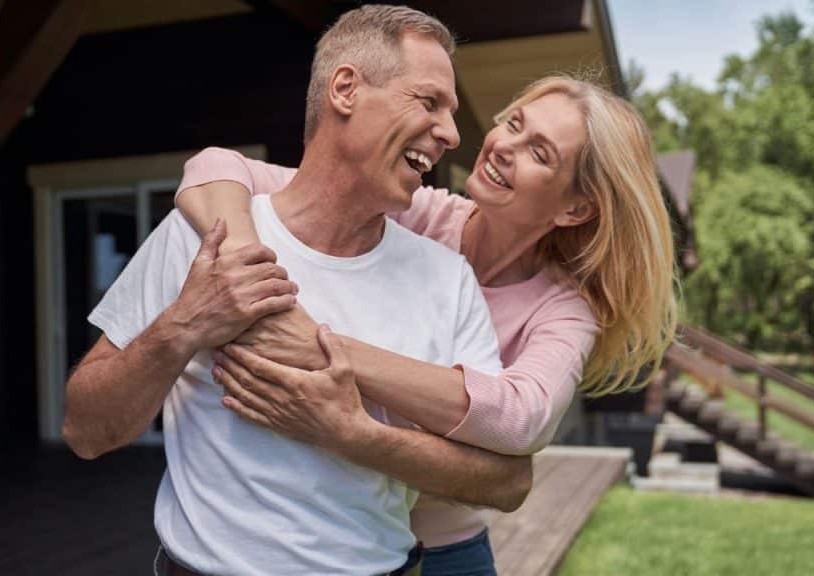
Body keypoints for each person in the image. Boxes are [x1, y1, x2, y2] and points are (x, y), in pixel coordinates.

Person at [63, 6, 534, 575]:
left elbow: (505, 481)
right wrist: (185, 325)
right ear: (345, 89)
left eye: (451, 113)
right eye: (429, 101)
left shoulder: (448, 278)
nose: (452, 134)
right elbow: (85, 431)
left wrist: (351, 434)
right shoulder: (202, 235)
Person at [175, 75, 678, 575]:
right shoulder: (414, 213)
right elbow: (216, 167)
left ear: (575, 209)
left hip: (448, 553)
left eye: (539, 153)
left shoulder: (563, 309)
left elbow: (522, 418)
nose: (504, 147)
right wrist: (245, 267)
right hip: (331, 537)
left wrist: (321, 347)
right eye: (513, 124)